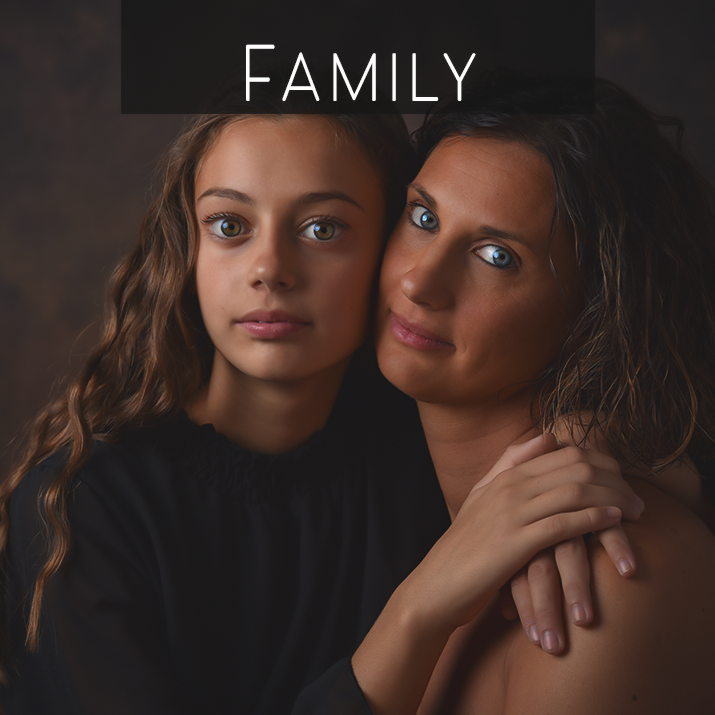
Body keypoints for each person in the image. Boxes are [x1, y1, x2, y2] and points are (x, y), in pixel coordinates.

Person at [0, 104, 649, 713]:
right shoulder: (81, 508)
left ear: (390, 247)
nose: (270, 269)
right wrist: (417, 608)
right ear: (187, 248)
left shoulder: (421, 442)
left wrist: (580, 441)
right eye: (230, 225)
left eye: (322, 228)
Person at [348, 74, 715, 713]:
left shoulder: (606, 585)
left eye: (497, 256)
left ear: (595, 312)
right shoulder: (392, 499)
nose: (419, 282)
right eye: (424, 217)